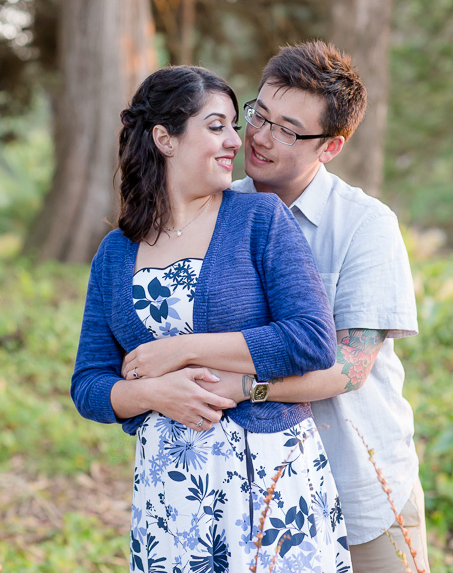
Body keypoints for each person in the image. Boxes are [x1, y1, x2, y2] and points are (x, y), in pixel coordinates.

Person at [71, 65, 353, 573]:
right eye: (216, 125)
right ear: (165, 138)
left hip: (270, 478)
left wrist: (182, 349)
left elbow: (312, 340)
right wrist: (152, 394)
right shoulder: (115, 253)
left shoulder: (259, 219)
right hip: (169, 491)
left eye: (232, 124)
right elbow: (89, 383)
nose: (236, 140)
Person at [226, 40, 430, 573]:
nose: (261, 137)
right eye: (259, 115)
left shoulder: (365, 225)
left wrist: (247, 388)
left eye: (288, 130)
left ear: (330, 147)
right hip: (252, 488)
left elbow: (351, 367)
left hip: (359, 485)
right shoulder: (219, 211)